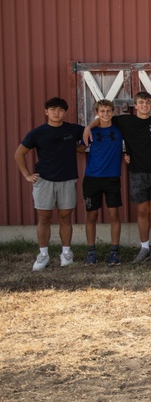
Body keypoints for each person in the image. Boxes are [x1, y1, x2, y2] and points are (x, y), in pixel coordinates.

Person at [85, 90, 151, 264]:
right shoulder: (124, 121)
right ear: (135, 105)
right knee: (143, 211)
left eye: (148, 103)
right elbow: (102, 119)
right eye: (141, 103)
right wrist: (88, 127)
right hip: (137, 172)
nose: (144, 106)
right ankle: (144, 247)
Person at [15, 97, 84, 271]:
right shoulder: (37, 133)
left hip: (67, 180)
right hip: (44, 181)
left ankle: (66, 252)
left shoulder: (73, 129)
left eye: (60, 110)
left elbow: (89, 136)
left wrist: (79, 146)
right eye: (52, 109)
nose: (56, 112)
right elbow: (19, 154)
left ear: (65, 112)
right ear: (46, 111)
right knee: (44, 218)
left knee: (65, 218)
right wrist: (27, 175)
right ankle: (43, 254)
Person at [81, 99, 123, 266]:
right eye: (102, 111)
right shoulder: (91, 132)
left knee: (114, 214)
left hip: (112, 177)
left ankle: (114, 251)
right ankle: (91, 251)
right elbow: (80, 148)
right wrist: (86, 131)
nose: (105, 114)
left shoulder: (119, 129)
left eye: (108, 111)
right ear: (96, 112)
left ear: (113, 112)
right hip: (92, 178)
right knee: (92, 215)